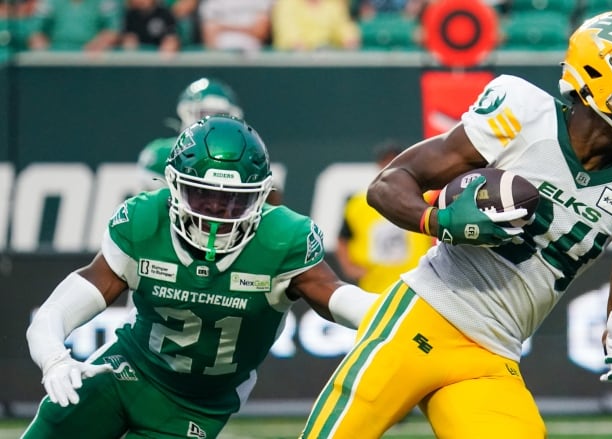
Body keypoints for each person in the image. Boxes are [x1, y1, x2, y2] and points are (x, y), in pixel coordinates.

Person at [301, 9, 612, 438]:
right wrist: (442, 221)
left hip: (494, 355)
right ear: (597, 70)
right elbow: (389, 185)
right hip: (423, 317)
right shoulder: (523, 114)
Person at [22, 115, 378, 439]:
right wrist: (54, 358)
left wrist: (396, 314)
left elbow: (337, 295)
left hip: (196, 407)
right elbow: (56, 311)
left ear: (260, 198)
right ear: (174, 185)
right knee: (55, 423)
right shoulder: (145, 221)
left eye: (233, 202)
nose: (217, 215)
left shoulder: (283, 238)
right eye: (203, 196)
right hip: (125, 372)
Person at [137, 77, 284, 204]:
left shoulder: (245, 157)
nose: (212, 122)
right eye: (205, 114)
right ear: (187, 113)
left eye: (219, 115)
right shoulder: (161, 155)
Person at [335, 140, 434, 293]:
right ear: (379, 164)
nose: (390, 165)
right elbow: (343, 240)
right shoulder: (359, 203)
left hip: (417, 285)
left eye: (395, 159)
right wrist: (351, 268)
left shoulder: (425, 196)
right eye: (386, 161)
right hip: (375, 287)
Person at [27, 0, 122, 52]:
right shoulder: (49, 2)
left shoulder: (104, 2)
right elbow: (35, 31)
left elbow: (112, 30)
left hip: (91, 56)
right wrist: (39, 45)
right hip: (56, 54)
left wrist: (100, 43)